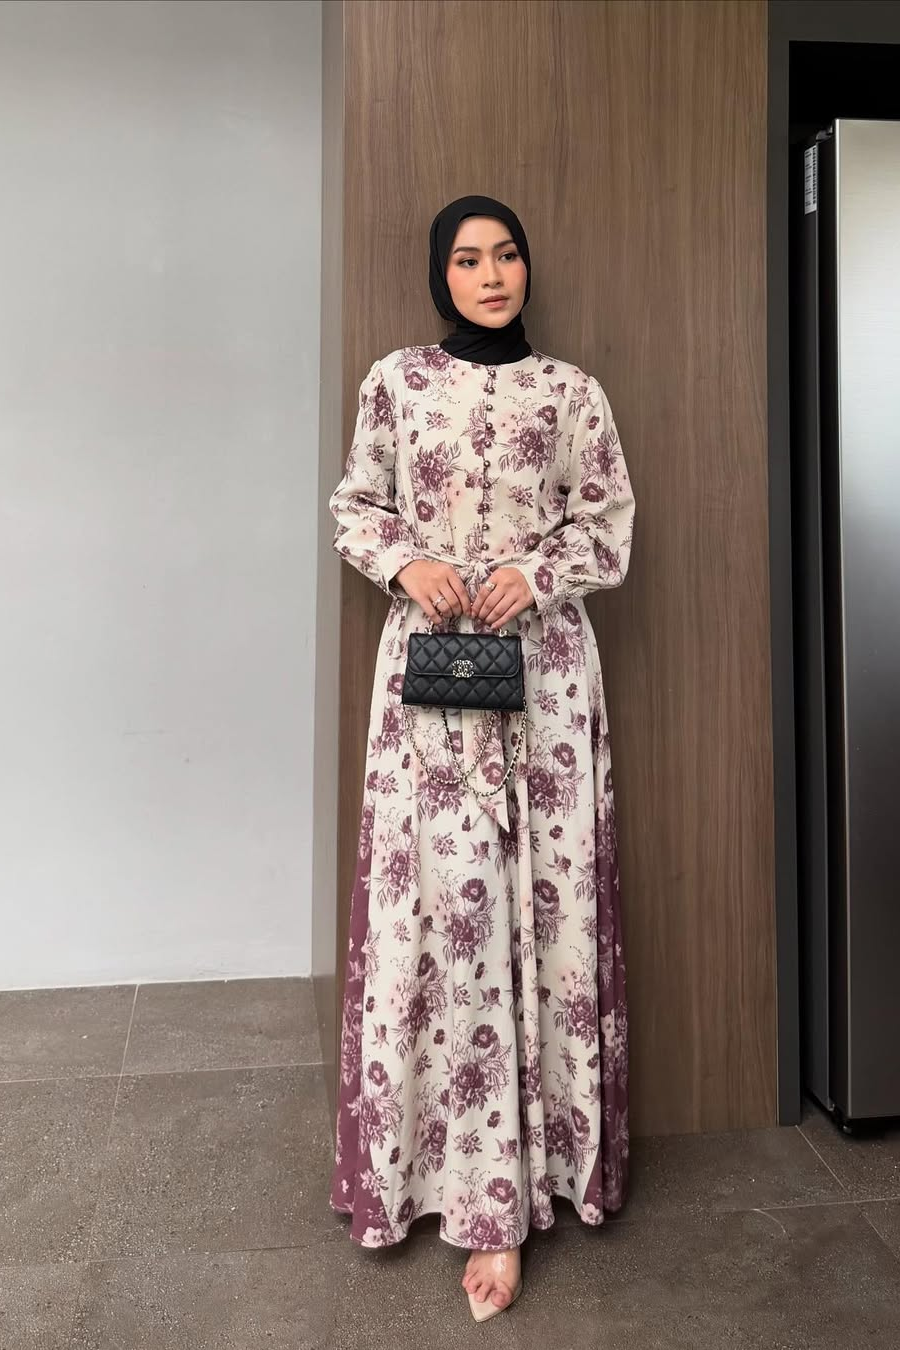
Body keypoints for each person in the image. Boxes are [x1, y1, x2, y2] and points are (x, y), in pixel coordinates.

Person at [327, 194, 635, 1322]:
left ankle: (521, 1201)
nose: (492, 274)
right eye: (467, 259)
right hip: (430, 688)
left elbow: (608, 522)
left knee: (544, 912)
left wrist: (536, 573)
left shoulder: (573, 394)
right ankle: (441, 1184)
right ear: (440, 275)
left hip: (545, 684)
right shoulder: (397, 383)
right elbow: (355, 505)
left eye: (507, 254)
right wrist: (406, 563)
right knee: (445, 915)